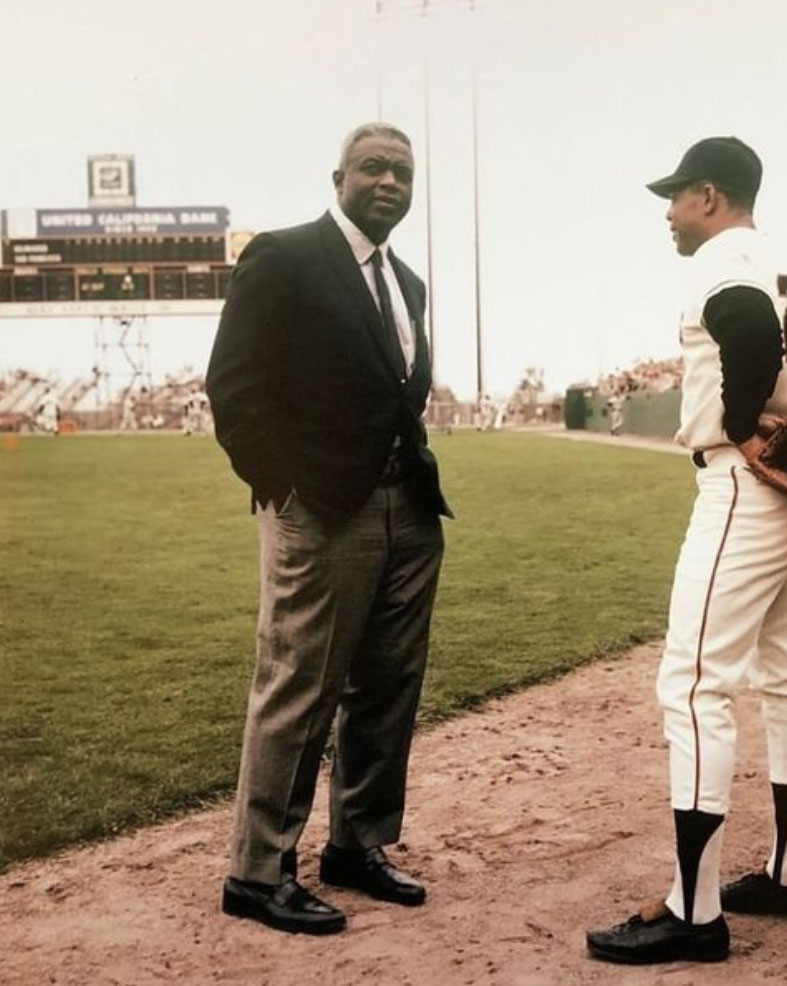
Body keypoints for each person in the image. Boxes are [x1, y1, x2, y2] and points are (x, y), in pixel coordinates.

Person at [586, 136, 787, 965]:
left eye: (677, 196)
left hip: (747, 487)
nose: (670, 213)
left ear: (711, 195)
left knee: (693, 684)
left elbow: (748, 329)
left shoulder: (724, 258)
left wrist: (749, 421)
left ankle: (694, 909)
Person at [207, 122, 451, 937]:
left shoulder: (408, 281)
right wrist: (281, 488)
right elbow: (234, 385)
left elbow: (399, 391)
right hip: (321, 509)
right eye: (374, 168)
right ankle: (258, 870)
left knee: (387, 689)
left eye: (403, 172)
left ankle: (358, 846)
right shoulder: (283, 255)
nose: (390, 182)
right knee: (299, 686)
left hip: (406, 507)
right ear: (339, 176)